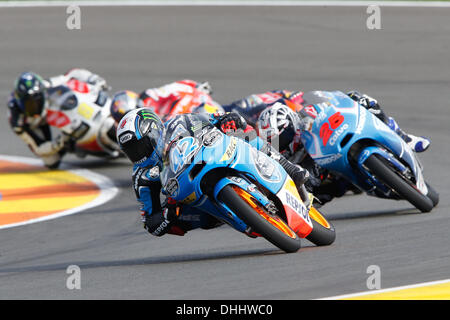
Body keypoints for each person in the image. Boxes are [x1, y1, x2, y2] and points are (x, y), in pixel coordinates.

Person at [116, 107, 310, 237]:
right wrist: (166, 217)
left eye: (140, 146)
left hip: (211, 156)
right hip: (188, 196)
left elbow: (209, 120)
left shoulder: (179, 123)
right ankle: (236, 215)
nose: (138, 154)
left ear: (153, 132)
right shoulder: (142, 177)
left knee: (240, 127)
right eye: (132, 151)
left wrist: (225, 120)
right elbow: (150, 223)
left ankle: (289, 168)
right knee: (184, 220)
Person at [224, 89, 431, 205]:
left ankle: (404, 137)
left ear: (293, 123)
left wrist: (333, 104)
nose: (287, 141)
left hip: (337, 143)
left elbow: (321, 101)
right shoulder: (287, 158)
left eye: (287, 134)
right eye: (282, 140)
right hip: (332, 182)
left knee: (361, 99)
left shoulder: (306, 120)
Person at [7, 69, 109, 168]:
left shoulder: (46, 85)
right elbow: (37, 148)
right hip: (34, 124)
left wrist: (94, 78)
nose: (34, 106)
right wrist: (59, 142)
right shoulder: (18, 121)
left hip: (48, 110)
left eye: (36, 100)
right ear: (19, 102)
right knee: (51, 160)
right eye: (28, 104)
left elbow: (71, 74)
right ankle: (69, 144)